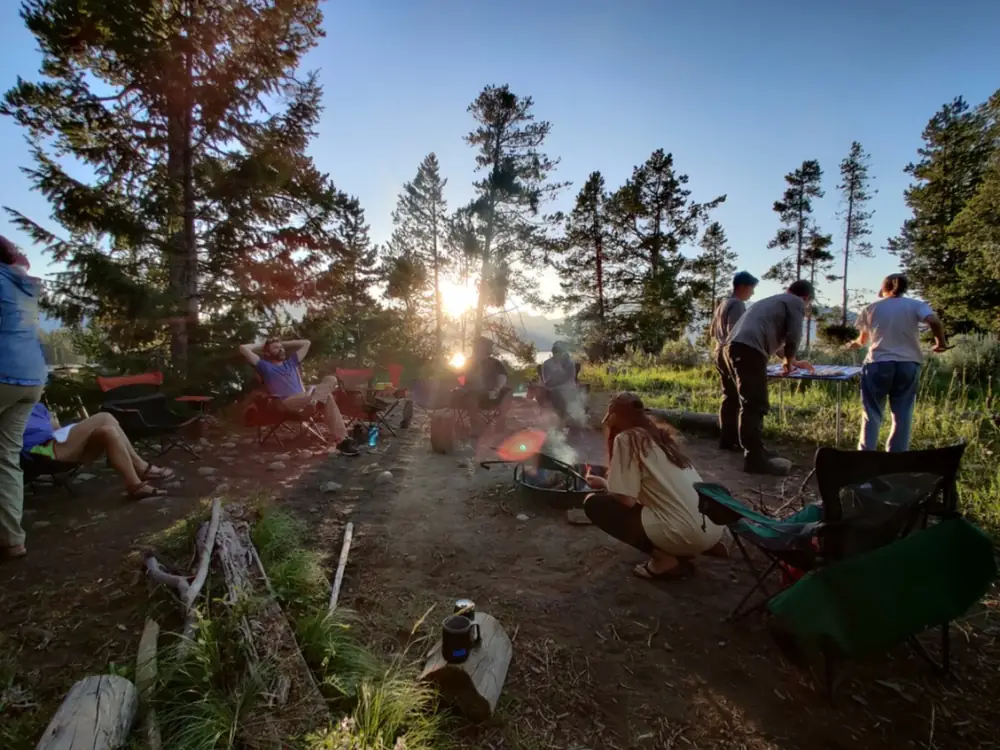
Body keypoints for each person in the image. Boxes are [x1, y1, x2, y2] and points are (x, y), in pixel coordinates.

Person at [583, 393, 726, 580]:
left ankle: (664, 559)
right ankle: (696, 546)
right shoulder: (661, 435)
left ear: (615, 417)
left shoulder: (627, 439)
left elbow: (626, 500)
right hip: (713, 526)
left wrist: (603, 486)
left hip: (686, 532)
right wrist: (606, 483)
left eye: (610, 417)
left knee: (595, 504)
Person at [848, 274, 949, 452]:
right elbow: (933, 320)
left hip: (878, 363)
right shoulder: (916, 305)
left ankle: (865, 458)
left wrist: (852, 345)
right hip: (908, 363)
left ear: (883, 287)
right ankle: (896, 460)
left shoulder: (872, 308)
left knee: (871, 413)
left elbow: (862, 340)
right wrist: (940, 342)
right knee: (902, 414)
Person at [724, 280, 815, 476]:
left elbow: (772, 338)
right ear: (806, 298)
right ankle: (754, 459)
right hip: (748, 350)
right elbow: (794, 335)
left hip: (735, 348)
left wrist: (792, 361)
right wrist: (789, 361)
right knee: (755, 404)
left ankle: (757, 451)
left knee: (750, 402)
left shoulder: (773, 301)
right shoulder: (795, 302)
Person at [0, 236, 47, 560]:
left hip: (3, 372)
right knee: (6, 458)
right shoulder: (25, 284)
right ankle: (13, 539)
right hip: (32, 377)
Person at [22, 404, 175, 500]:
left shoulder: (38, 407)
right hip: (39, 451)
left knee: (107, 431)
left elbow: (56, 428)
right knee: (104, 417)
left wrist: (59, 424)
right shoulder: (8, 410)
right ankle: (141, 467)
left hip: (60, 447)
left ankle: (135, 485)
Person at [239, 337, 360, 456]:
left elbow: (306, 342)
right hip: (287, 402)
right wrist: (263, 345)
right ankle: (342, 439)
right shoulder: (264, 365)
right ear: (267, 352)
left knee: (331, 379)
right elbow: (243, 348)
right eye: (276, 348)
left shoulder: (291, 362)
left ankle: (316, 405)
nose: (281, 349)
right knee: (327, 396)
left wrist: (282, 344)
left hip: (306, 397)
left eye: (282, 348)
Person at [710, 271, 758, 451]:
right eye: (751, 289)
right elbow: (736, 332)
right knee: (738, 396)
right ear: (742, 287)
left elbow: (713, 332)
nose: (752, 293)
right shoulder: (737, 304)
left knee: (728, 395)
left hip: (718, 351)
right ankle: (736, 440)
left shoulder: (723, 304)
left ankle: (726, 438)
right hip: (729, 352)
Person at [457, 337, 511, 435]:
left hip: (491, 394)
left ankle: (500, 420)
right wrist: (462, 386)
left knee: (508, 392)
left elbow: (502, 376)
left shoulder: (494, 363)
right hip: (473, 394)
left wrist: (497, 389)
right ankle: (476, 424)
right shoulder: (468, 362)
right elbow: (461, 377)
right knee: (471, 397)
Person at [540, 341, 583, 425]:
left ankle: (572, 417)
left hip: (568, 388)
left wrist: (561, 375)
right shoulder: (547, 364)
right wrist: (556, 379)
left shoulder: (569, 363)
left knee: (570, 392)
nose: (558, 353)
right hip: (554, 388)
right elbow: (547, 381)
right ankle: (561, 418)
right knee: (557, 393)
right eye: (555, 351)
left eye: (560, 351)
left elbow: (570, 378)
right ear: (553, 352)